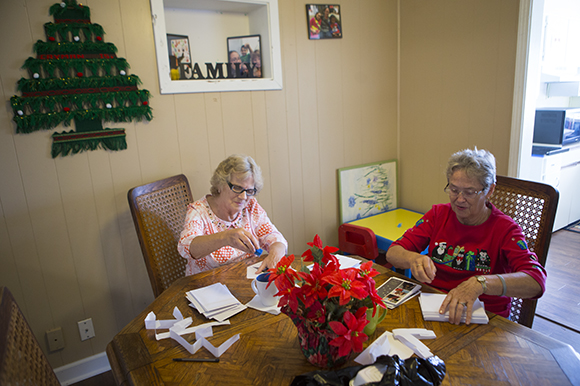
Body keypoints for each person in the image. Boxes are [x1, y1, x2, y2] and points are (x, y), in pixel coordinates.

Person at [386, 148, 547, 325]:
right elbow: (393, 252)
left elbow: (536, 281)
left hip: (485, 319)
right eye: (454, 190)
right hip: (436, 310)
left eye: (469, 192)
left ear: (489, 190)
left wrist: (481, 283)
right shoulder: (438, 214)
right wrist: (413, 258)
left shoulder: (505, 229)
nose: (459, 199)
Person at [178, 154, 288, 276]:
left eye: (249, 191)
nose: (243, 197)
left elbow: (274, 236)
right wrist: (225, 237)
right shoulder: (199, 211)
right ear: (220, 185)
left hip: (243, 281)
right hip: (206, 285)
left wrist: (274, 254)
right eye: (236, 188)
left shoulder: (250, 206)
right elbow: (186, 247)